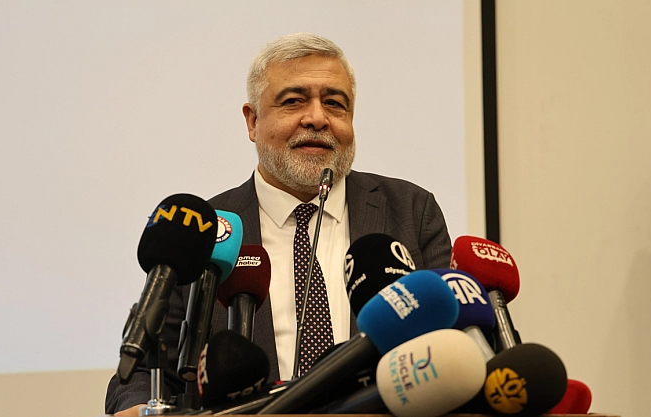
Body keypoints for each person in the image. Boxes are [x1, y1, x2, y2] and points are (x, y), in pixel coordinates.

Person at [105, 32, 452, 416]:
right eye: (293, 101)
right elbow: (140, 375)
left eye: (334, 103)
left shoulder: (410, 211)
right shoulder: (204, 230)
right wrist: (137, 406)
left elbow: (453, 339)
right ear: (253, 121)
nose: (317, 118)